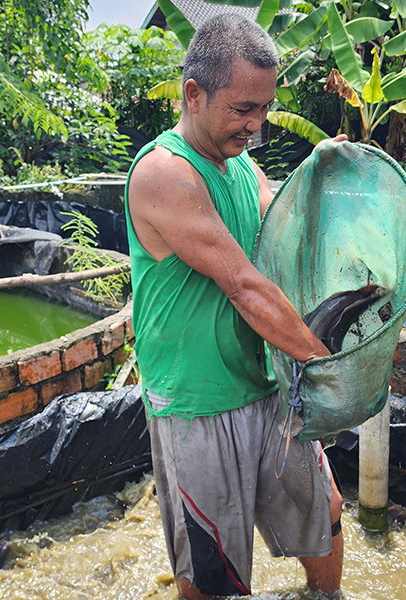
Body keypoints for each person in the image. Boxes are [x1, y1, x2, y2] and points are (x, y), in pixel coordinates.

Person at [124, 14, 345, 599]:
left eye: (265, 108)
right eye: (242, 108)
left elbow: (283, 216)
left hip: (266, 385)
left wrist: (319, 169)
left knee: (325, 516)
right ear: (193, 94)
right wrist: (331, 364)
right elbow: (245, 287)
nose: (257, 124)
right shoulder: (164, 174)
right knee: (214, 569)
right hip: (198, 402)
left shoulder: (242, 166)